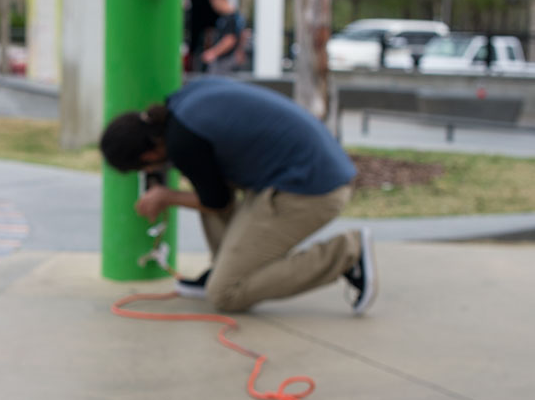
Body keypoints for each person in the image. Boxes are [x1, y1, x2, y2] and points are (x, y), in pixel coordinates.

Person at [99, 77, 377, 315]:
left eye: (147, 168)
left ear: (149, 155)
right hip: (308, 170)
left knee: (225, 294)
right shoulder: (182, 102)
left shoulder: (183, 143)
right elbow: (217, 189)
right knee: (207, 186)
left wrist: (165, 195)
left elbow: (218, 202)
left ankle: (347, 253)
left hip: (311, 191)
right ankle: (223, 267)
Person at [200, 0, 245, 75]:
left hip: (225, 61)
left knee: (216, 84)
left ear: (220, 0)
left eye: (213, 3)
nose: (213, 7)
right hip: (228, 59)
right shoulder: (234, 17)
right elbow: (242, 35)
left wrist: (213, 53)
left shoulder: (230, 18)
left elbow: (230, 40)